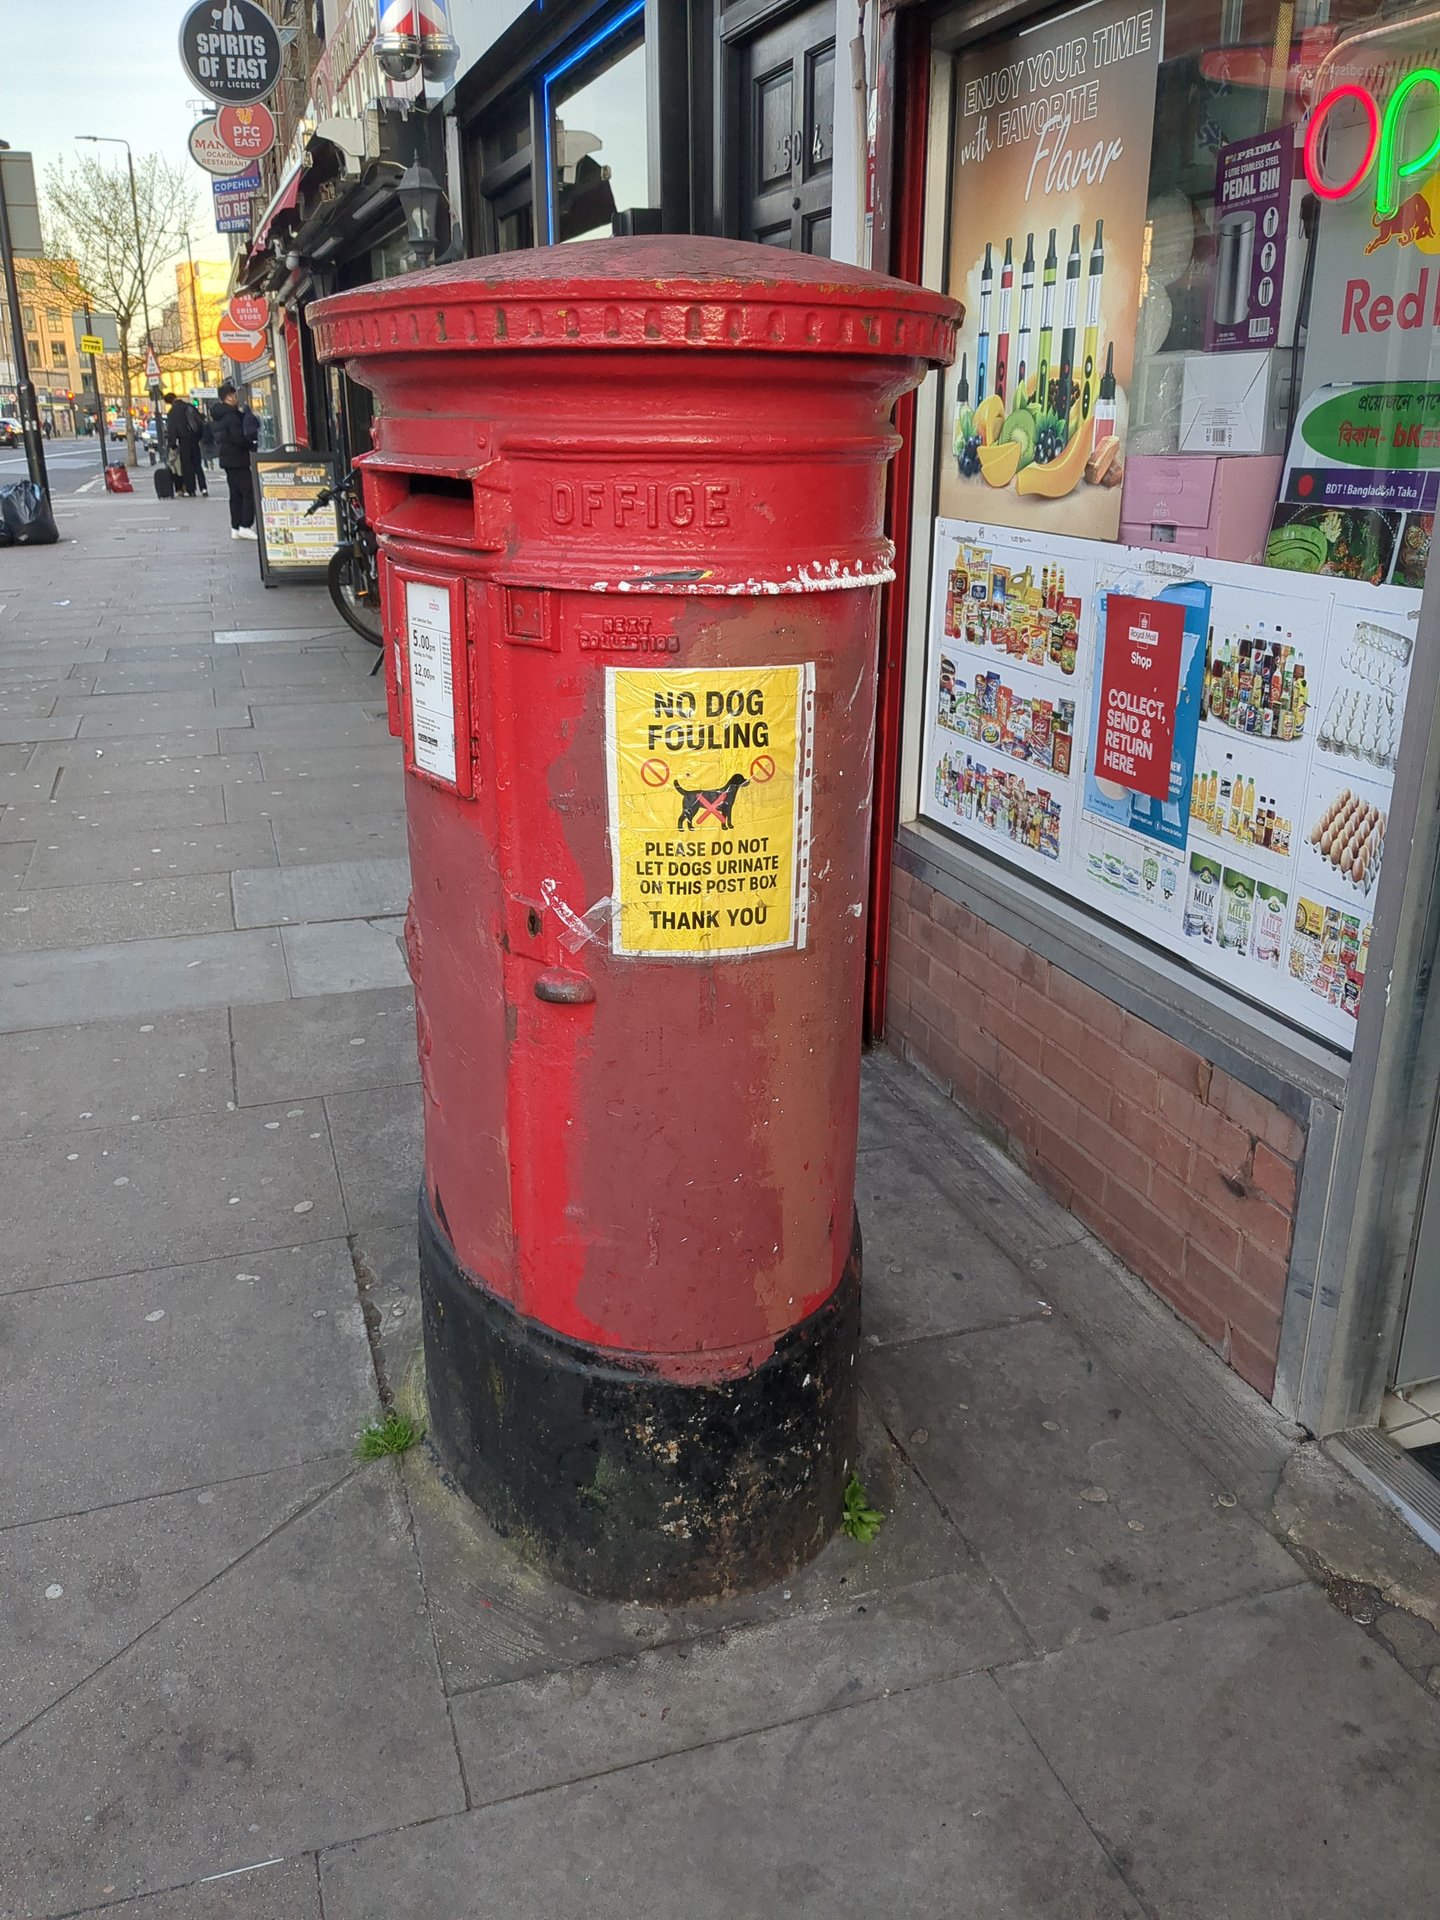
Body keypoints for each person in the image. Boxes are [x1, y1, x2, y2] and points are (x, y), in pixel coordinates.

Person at [211, 382, 259, 540]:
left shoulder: (219, 415)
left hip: (227, 459)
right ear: (229, 397)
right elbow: (238, 438)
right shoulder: (232, 416)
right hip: (238, 458)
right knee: (248, 492)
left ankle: (235, 527)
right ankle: (245, 525)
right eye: (234, 395)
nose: (236, 398)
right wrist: (250, 443)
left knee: (235, 494)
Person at [164, 391, 204, 499]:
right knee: (197, 464)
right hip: (194, 440)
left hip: (184, 441)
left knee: (187, 466)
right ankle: (203, 487)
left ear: (169, 402)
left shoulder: (172, 412)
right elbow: (200, 422)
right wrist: (198, 437)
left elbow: (172, 430)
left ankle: (191, 490)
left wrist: (172, 444)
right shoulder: (189, 406)